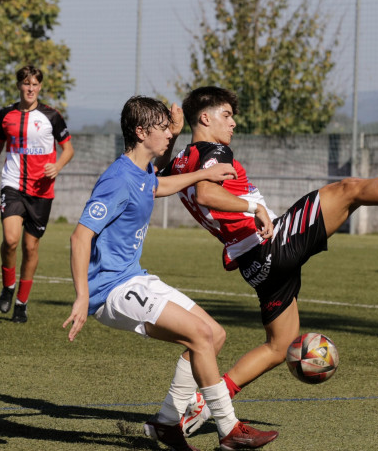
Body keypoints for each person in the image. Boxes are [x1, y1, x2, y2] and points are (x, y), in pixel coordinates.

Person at [154, 86, 378, 434]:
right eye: (226, 115)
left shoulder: (182, 161)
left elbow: (161, 178)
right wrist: (252, 207)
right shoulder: (214, 151)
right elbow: (207, 192)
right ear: (205, 117)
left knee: (279, 346)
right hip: (269, 245)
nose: (233, 123)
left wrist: (175, 135)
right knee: (348, 190)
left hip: (254, 266)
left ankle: (205, 403)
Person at [63, 96, 279, 451]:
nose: (169, 133)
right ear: (140, 131)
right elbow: (80, 236)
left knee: (214, 335)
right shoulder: (117, 179)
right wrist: (83, 296)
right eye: (162, 128)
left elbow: (158, 185)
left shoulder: (142, 171)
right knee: (198, 335)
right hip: (110, 291)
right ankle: (230, 429)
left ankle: (166, 423)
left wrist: (204, 173)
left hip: (134, 277)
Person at [0, 65, 74, 323]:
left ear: (40, 87)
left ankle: (21, 302)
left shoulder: (51, 116)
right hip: (13, 184)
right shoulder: (5, 114)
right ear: (19, 85)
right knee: (10, 240)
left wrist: (58, 166)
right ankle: (8, 287)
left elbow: (69, 150)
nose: (30, 88)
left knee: (31, 247)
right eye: (26, 83)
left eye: (35, 84)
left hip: (42, 190)